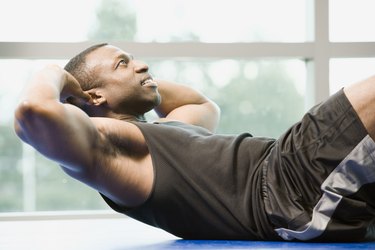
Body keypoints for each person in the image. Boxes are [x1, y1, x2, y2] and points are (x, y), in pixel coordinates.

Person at [14, 43, 375, 242]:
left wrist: (141, 84)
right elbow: (33, 111)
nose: (141, 65)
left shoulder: (160, 133)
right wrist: (55, 74)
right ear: (92, 96)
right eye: (123, 64)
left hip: (291, 175)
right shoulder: (110, 150)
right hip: (286, 185)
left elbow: (201, 104)